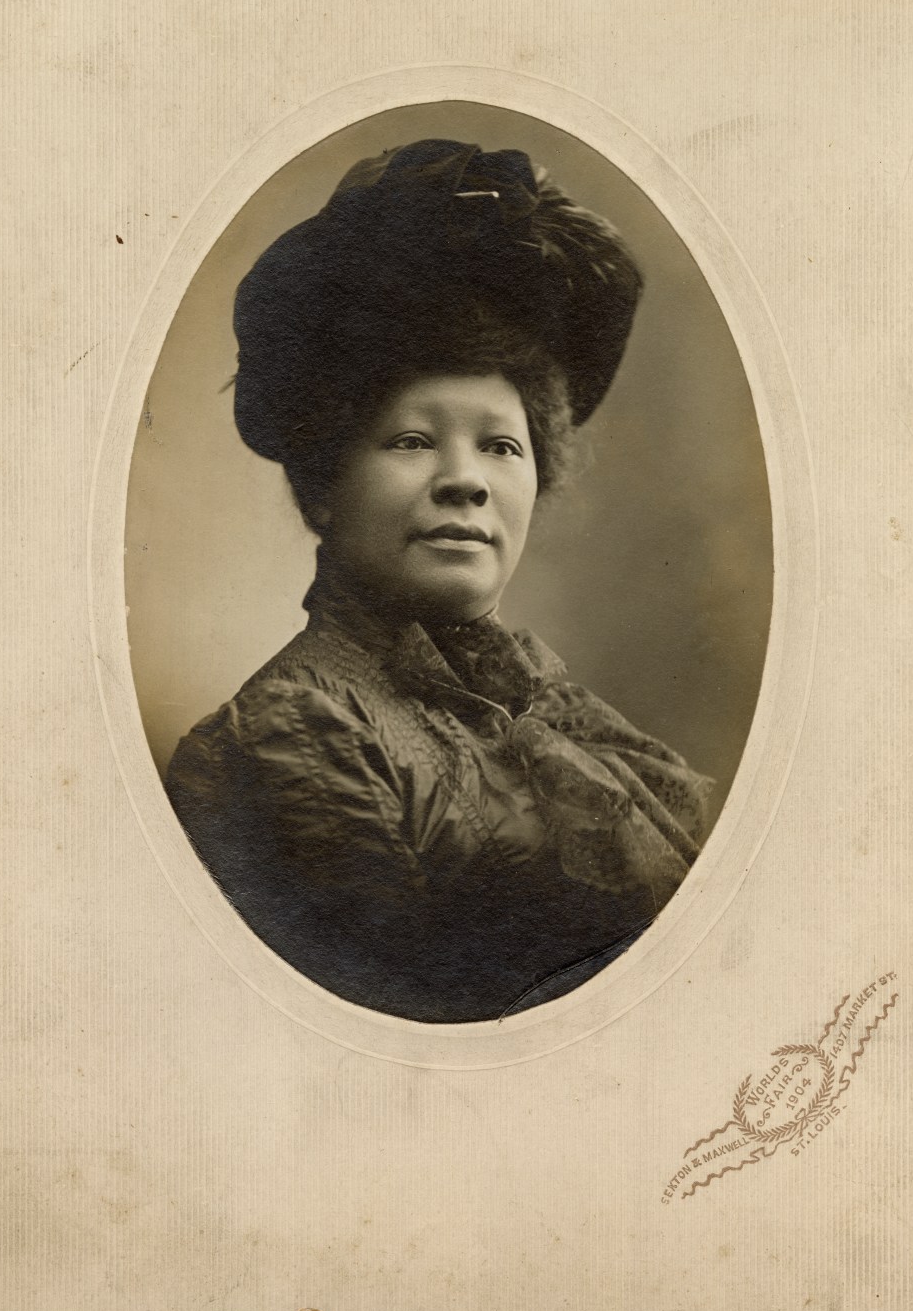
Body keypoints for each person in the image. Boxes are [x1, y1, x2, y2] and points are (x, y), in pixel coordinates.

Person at [166, 138, 712, 1024]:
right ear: (326, 480)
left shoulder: (570, 723)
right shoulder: (294, 731)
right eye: (413, 441)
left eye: (502, 445)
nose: (468, 480)